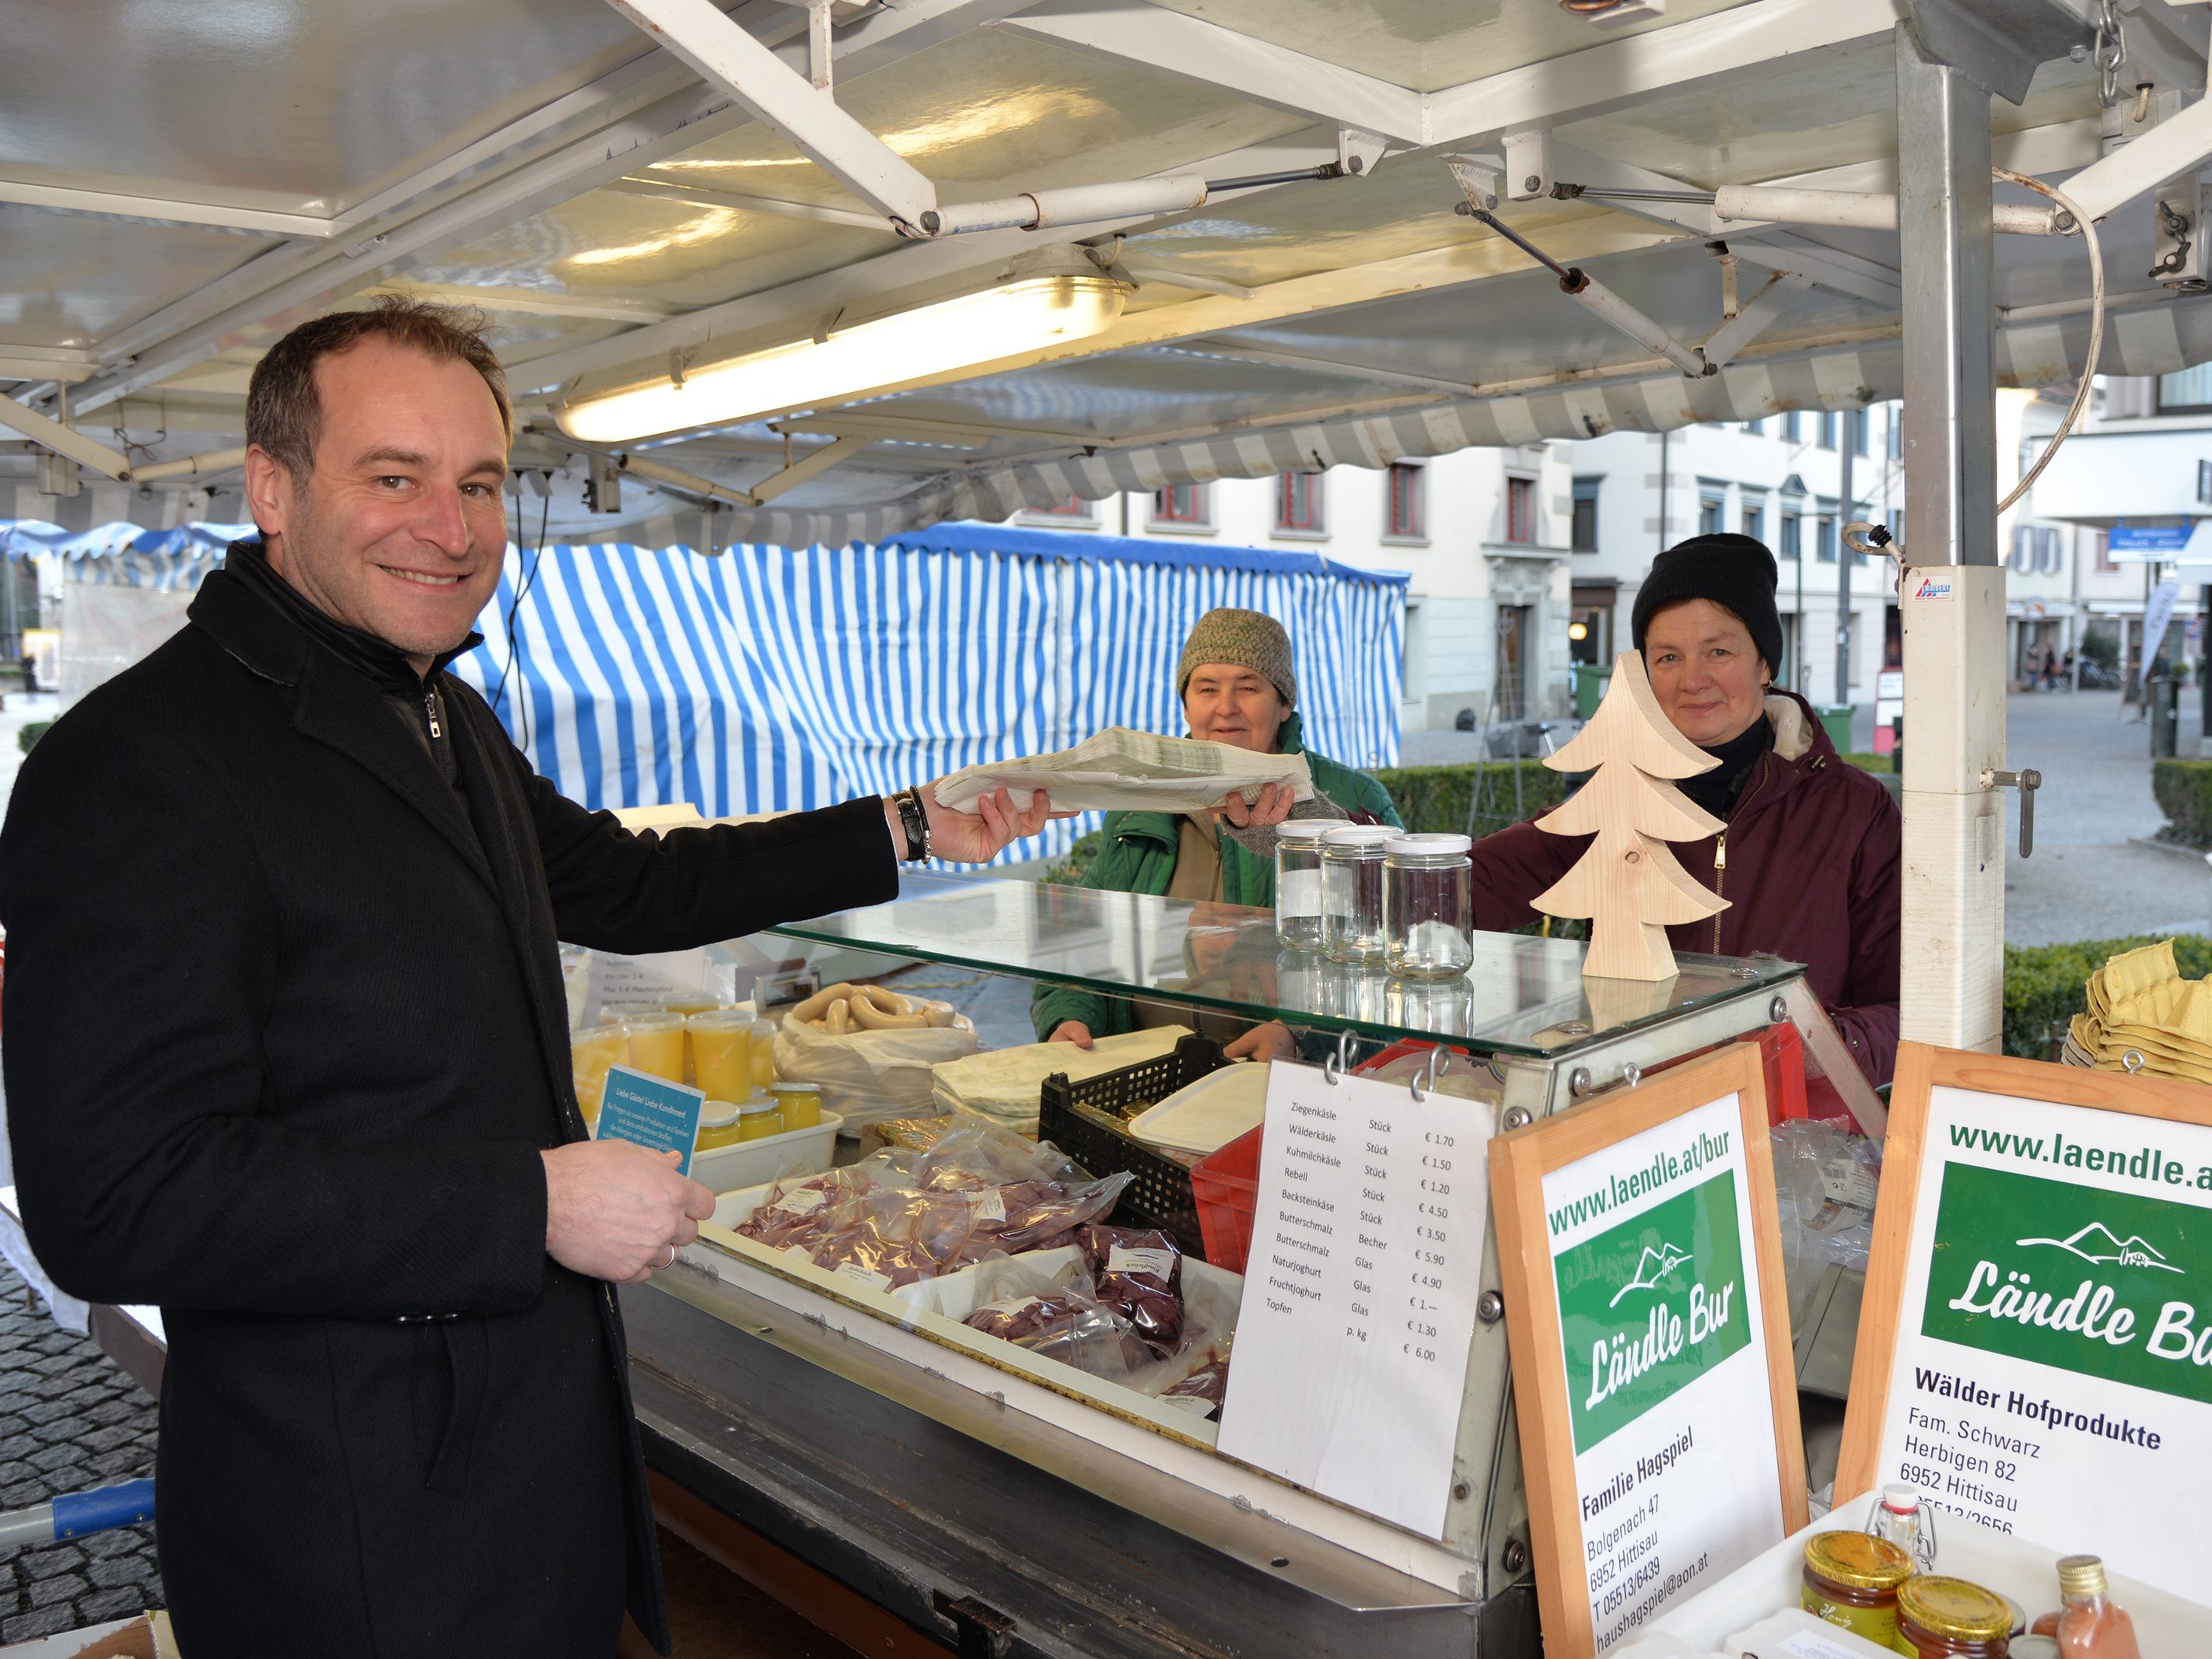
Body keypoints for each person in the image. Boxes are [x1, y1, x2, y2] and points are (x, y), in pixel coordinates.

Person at [0, 299, 1060, 1658]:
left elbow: (628, 883)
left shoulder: (433, 705)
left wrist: (911, 823)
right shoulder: (137, 767)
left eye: (481, 484)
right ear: (271, 488)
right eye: (394, 478)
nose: (450, 528)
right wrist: (527, 1199)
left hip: (511, 1478)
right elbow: (110, 1203)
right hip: (352, 1532)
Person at [1466, 534, 1901, 1087]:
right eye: (1668, 656)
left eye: (1718, 651)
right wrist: (1363, 867)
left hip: (1794, 1132)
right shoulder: (1618, 799)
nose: (1692, 679)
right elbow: (1475, 883)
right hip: (1648, 1131)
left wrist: (1817, 1046)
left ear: (1765, 662)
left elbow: (1903, 1005)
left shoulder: (1855, 811)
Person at [1032, 607, 1402, 1062]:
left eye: (1249, 688)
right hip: (1147, 1068)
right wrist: (1070, 1018)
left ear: (1285, 704)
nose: (1226, 707)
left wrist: (1302, 1035)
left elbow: (1391, 954)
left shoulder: (1352, 796)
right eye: (1207, 688)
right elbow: (1086, 936)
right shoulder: (1142, 800)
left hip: (1281, 1077)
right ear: (1187, 704)